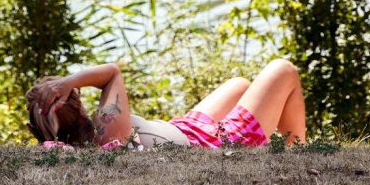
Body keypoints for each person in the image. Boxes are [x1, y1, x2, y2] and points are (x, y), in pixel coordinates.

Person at [26, 59, 306, 150]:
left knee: (239, 85)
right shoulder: (105, 131)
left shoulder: (94, 136)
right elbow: (112, 73)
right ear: (79, 105)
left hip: (186, 127)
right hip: (213, 141)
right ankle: (298, 154)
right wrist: (69, 81)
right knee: (284, 70)